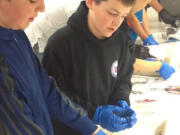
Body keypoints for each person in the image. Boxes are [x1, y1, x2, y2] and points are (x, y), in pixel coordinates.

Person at [0, 0, 107, 135]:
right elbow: (17, 122)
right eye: (32, 1)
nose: (42, 8)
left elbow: (46, 90)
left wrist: (90, 128)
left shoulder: (17, 34)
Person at [42, 0, 137, 134]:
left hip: (101, 129)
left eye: (123, 16)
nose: (117, 23)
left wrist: (121, 100)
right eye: (112, 13)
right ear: (90, 2)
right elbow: (54, 97)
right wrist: (93, 113)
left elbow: (123, 78)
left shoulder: (120, 41)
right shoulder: (60, 44)